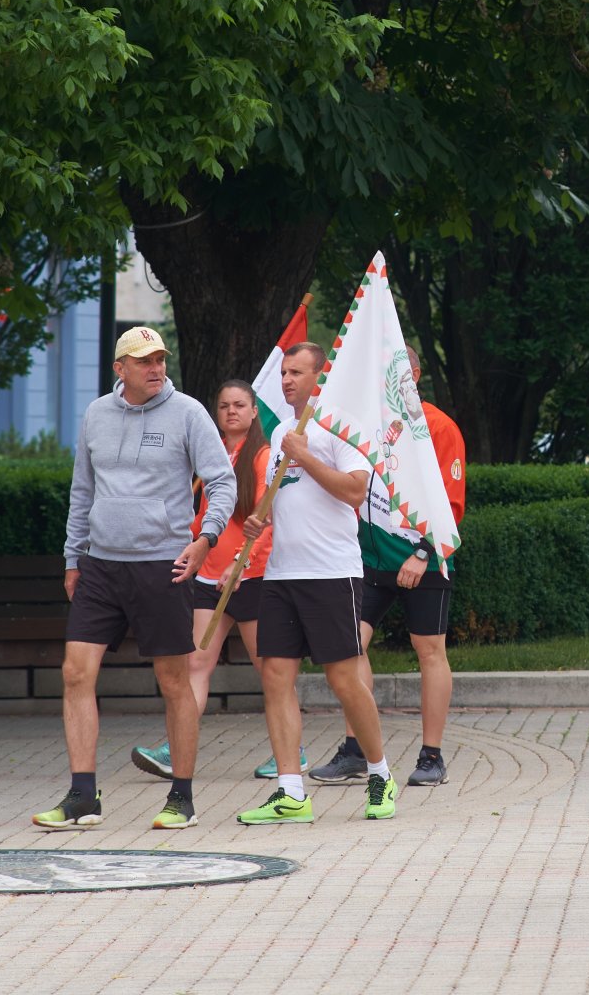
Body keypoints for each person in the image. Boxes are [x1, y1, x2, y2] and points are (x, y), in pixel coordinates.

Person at [33, 326, 235, 832]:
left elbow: (222, 481)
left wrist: (205, 537)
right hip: (100, 564)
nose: (156, 367)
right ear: (119, 368)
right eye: (144, 360)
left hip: (162, 563)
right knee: (75, 673)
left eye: (161, 358)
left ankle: (181, 797)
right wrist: (72, 559)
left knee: (173, 680)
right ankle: (83, 795)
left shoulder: (188, 412)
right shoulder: (96, 414)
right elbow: (83, 491)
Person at [237, 341, 400, 824]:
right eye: (283, 372)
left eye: (296, 373)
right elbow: (281, 499)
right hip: (283, 573)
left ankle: (380, 773)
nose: (285, 380)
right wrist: (258, 522)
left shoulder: (337, 426)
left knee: (343, 679)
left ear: (319, 376)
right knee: (275, 677)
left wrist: (305, 456)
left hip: (332, 573)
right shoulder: (285, 429)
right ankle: (291, 790)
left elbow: (355, 490)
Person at [129, 379, 303, 784]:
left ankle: (294, 752)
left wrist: (246, 562)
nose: (231, 412)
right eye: (223, 405)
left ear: (254, 410)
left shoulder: (262, 457)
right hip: (210, 576)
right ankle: (175, 749)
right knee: (196, 662)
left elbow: (270, 518)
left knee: (271, 671)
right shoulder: (214, 455)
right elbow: (207, 517)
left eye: (240, 404)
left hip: (253, 576)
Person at [312, 346, 466, 788]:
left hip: (424, 560)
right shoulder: (364, 428)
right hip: (370, 560)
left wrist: (423, 553)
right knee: (350, 646)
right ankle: (356, 749)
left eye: (397, 374)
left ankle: (431, 756)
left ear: (414, 375)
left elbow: (451, 502)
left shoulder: (438, 426)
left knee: (429, 651)